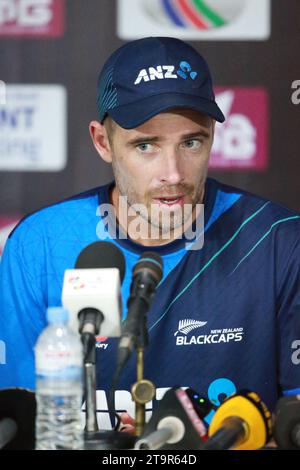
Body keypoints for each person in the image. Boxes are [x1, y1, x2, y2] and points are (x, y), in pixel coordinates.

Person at [0, 37, 299, 432]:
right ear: (103, 142)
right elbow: (21, 425)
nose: (173, 174)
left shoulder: (278, 240)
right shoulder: (39, 245)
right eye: (146, 146)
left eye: (192, 142)